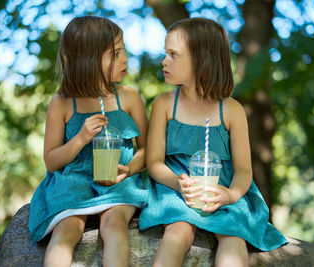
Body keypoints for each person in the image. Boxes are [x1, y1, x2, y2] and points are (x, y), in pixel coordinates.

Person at [139, 17, 287, 267]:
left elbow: (242, 171)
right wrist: (177, 183)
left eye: (173, 54)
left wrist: (229, 195)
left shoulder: (232, 111)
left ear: (200, 59)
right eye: (166, 53)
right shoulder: (164, 105)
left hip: (223, 190)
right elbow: (154, 162)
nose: (164, 61)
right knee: (177, 232)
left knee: (232, 239)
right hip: (178, 190)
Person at [28, 16, 148, 267]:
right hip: (75, 182)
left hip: (118, 184)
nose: (125, 59)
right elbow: (51, 161)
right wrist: (81, 138)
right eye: (115, 54)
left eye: (123, 50)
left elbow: (147, 149)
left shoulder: (129, 98)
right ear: (88, 60)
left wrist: (130, 170)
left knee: (114, 226)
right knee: (67, 231)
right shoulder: (61, 104)